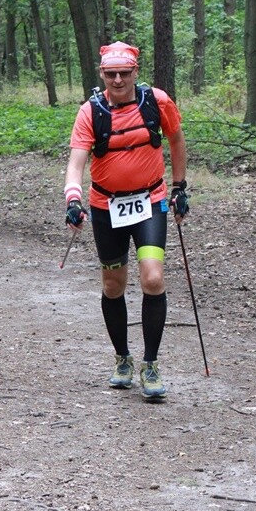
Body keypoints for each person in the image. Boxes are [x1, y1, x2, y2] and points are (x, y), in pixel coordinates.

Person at [62, 41, 189, 401]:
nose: (118, 79)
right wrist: (73, 198)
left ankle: (150, 364)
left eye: (125, 73)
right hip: (105, 206)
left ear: (136, 72)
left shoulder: (157, 102)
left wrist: (180, 187)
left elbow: (177, 141)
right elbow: (76, 163)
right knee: (114, 285)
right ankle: (122, 359)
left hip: (151, 201)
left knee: (152, 277)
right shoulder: (91, 111)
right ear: (102, 74)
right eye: (111, 73)